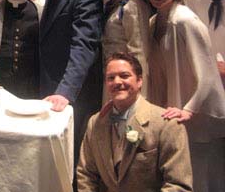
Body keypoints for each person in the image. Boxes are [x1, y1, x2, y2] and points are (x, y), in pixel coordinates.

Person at [146, 0, 225, 192]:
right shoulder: (154, 22)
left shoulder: (185, 21)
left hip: (198, 117)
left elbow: (208, 75)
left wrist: (189, 109)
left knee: (202, 179)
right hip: (174, 113)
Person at [77, 52, 193, 192]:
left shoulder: (167, 124)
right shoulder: (95, 123)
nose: (117, 82)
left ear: (139, 81)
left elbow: (178, 185)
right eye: (111, 78)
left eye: (124, 76)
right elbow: (86, 174)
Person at [40, 0, 103, 171]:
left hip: (73, 94)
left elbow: (84, 46)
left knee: (75, 160)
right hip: (53, 90)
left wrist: (65, 91)